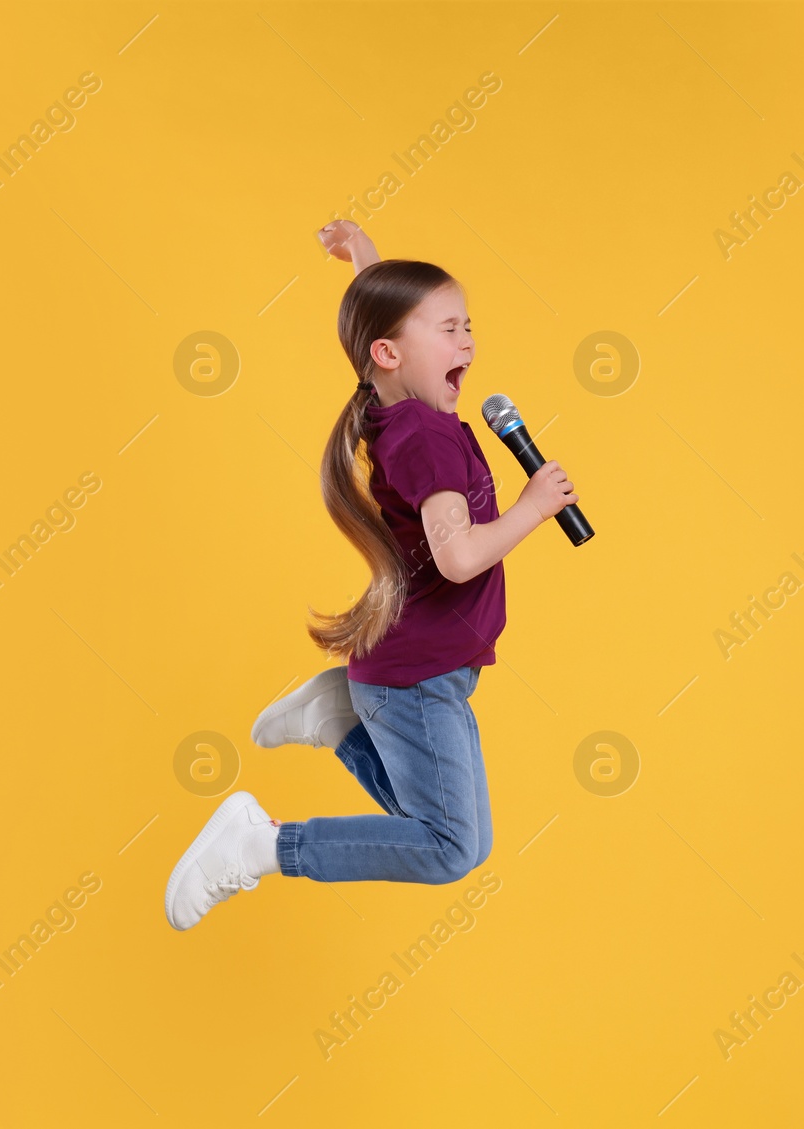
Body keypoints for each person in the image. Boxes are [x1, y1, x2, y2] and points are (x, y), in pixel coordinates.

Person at [164, 220, 579, 930]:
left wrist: (363, 260)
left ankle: (337, 721)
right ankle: (261, 844)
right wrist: (534, 507)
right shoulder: (426, 438)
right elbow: (458, 556)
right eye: (451, 329)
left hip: (427, 672)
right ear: (389, 354)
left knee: (457, 842)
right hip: (416, 678)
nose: (469, 343)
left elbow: (382, 327)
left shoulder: (401, 415)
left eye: (468, 327)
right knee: (451, 847)